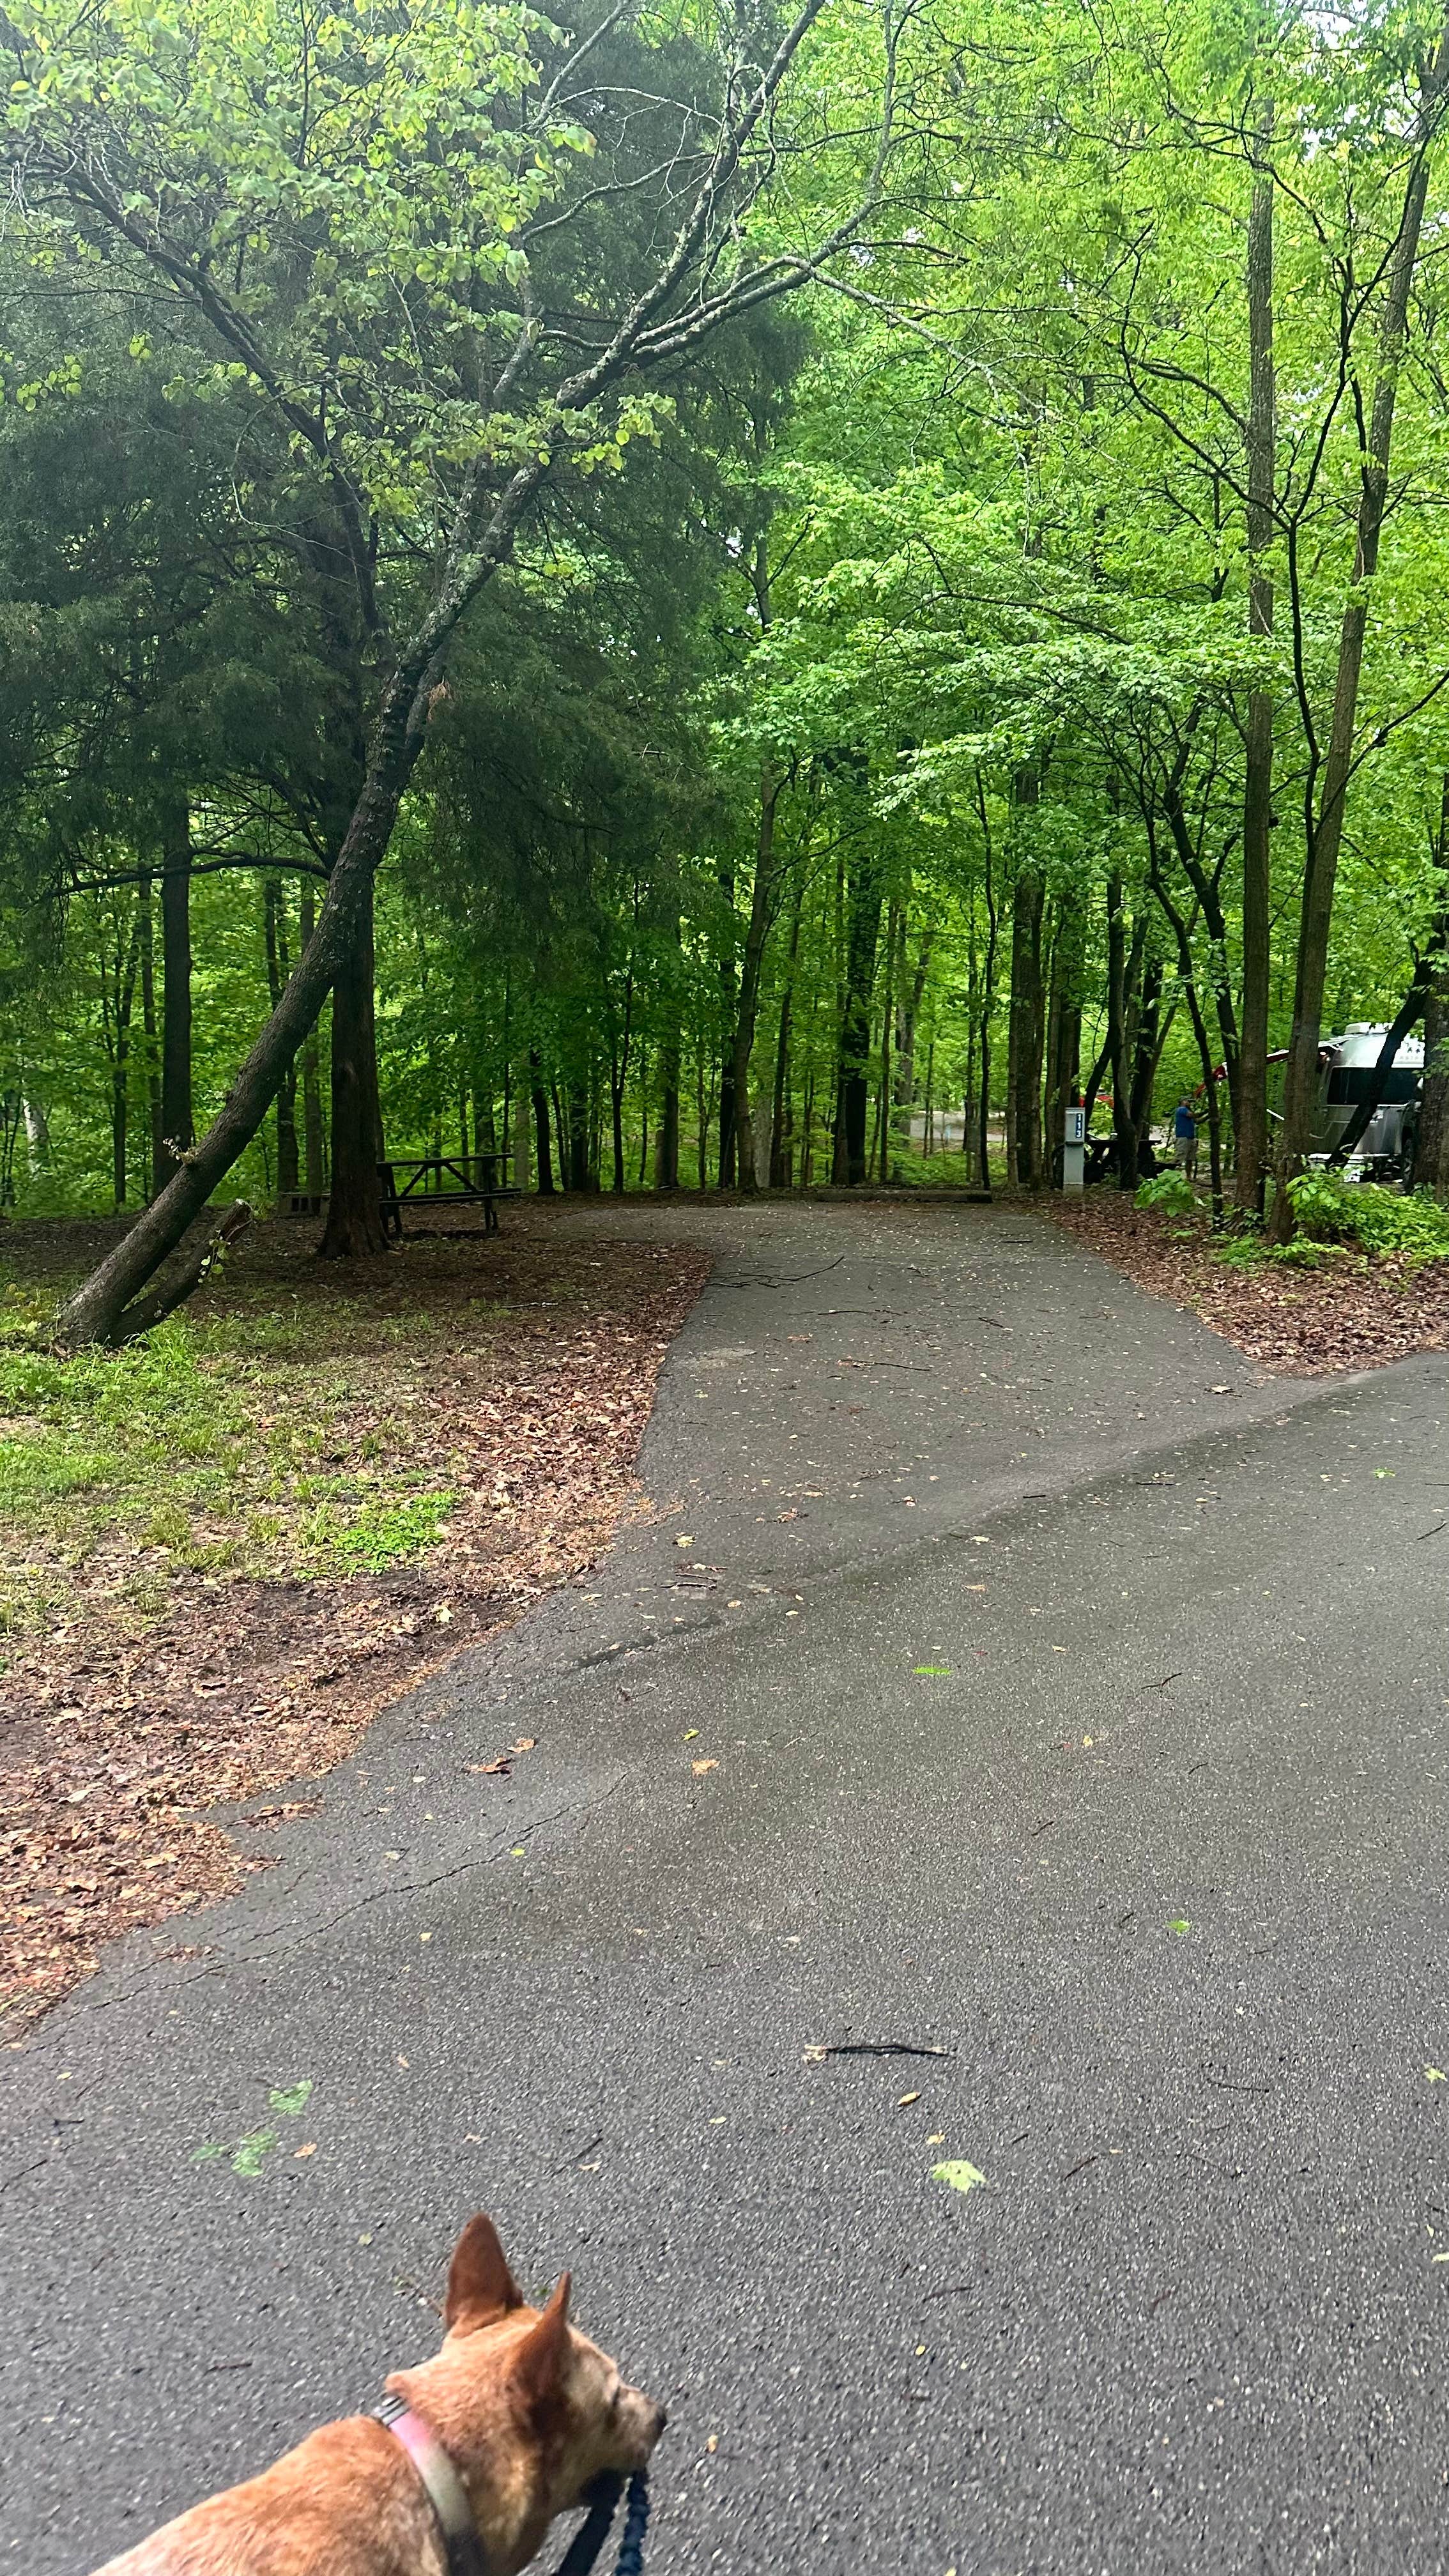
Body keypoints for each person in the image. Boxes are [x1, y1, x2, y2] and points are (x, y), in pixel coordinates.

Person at [1173, 1094, 1199, 1180]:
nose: (1189, 1103)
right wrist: (1205, 1112)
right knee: (1179, 1157)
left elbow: (1197, 1121)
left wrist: (1208, 1114)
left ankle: (1188, 1176)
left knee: (1190, 1159)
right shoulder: (1182, 1109)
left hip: (1190, 1137)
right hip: (1183, 1137)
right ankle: (1170, 1175)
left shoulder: (1188, 1111)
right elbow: (1193, 1116)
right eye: (1187, 1101)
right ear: (1182, 1102)